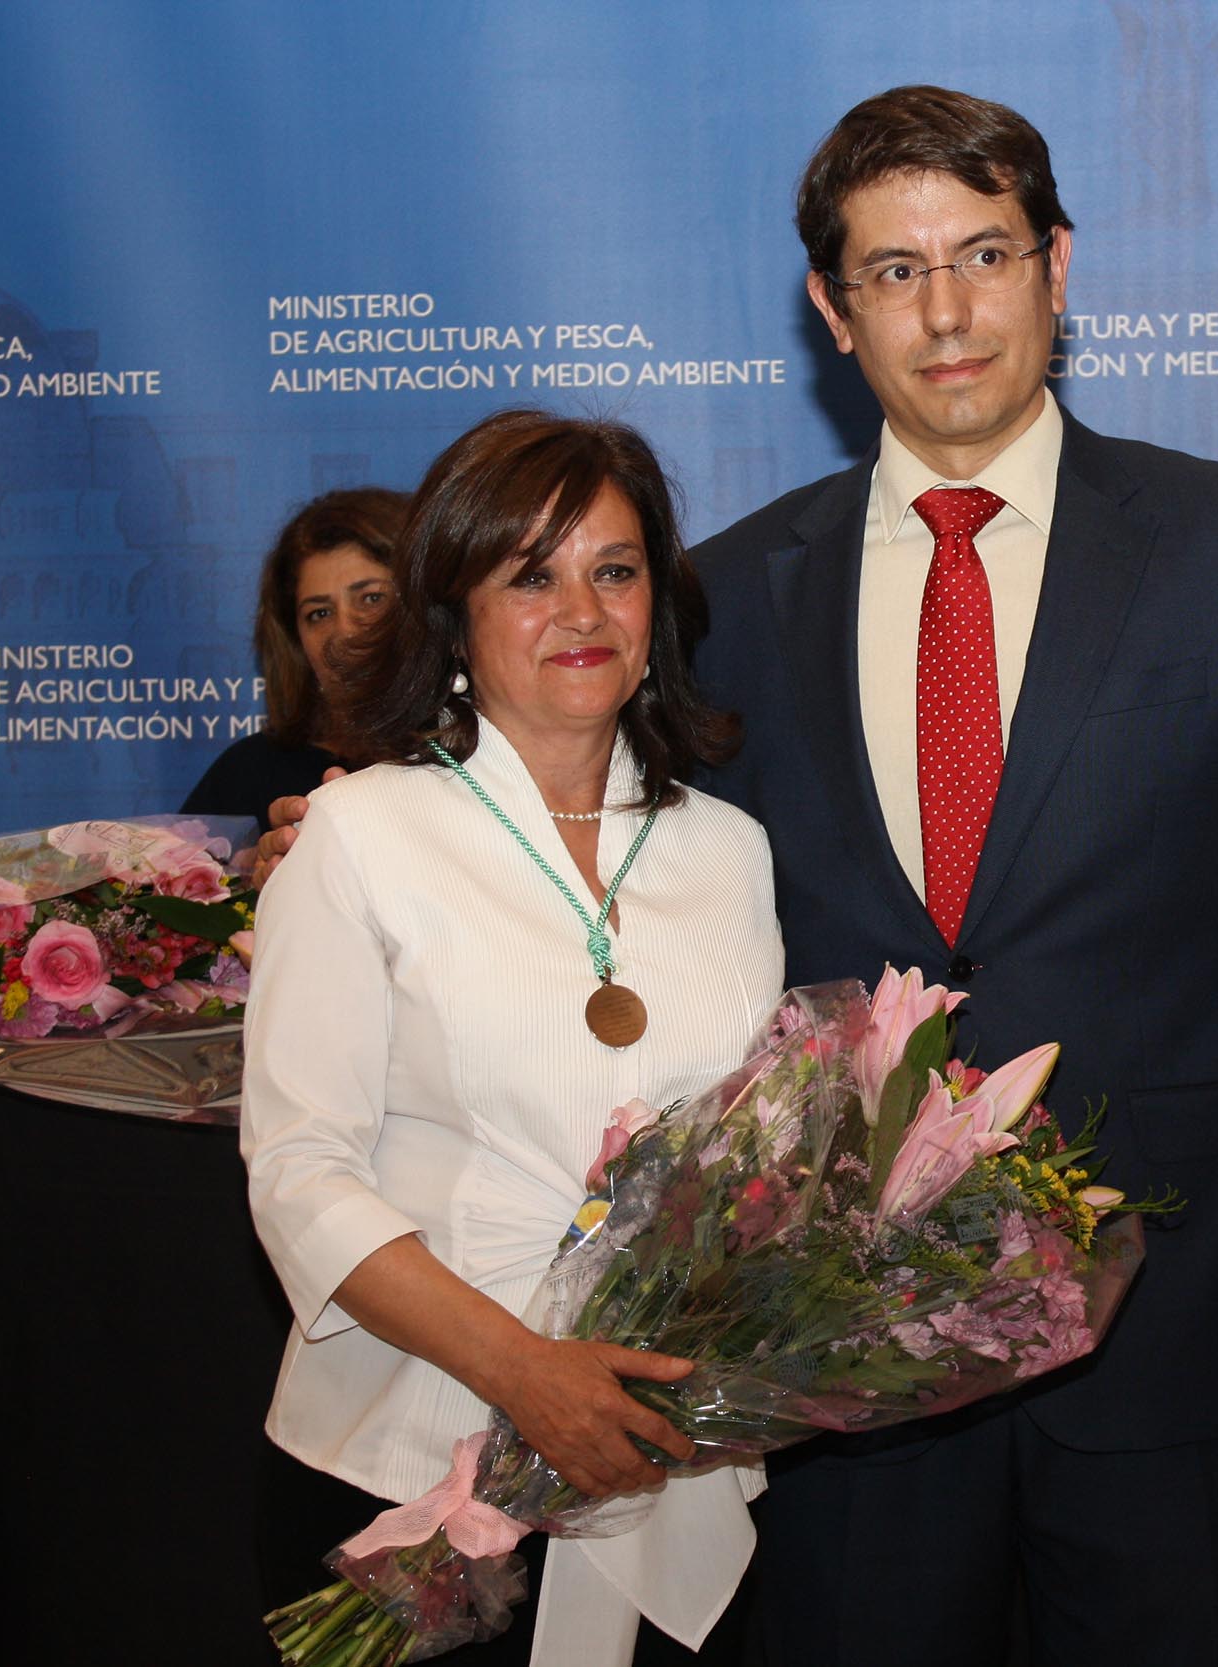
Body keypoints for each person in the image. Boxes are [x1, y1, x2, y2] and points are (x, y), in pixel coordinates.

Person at [685, 86, 1218, 1665]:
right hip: (844, 1359)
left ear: (1058, 266)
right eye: (895, 271)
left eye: (984, 254)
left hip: (1180, 1344)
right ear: (832, 306)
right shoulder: (729, 595)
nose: (947, 312)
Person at [240, 410, 784, 1667]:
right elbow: (300, 1172)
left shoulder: (730, 852)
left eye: (614, 569)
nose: (581, 611)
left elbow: (755, 1165)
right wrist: (529, 1373)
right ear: (453, 614)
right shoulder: (356, 836)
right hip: (404, 1470)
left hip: (668, 1465)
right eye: (530, 576)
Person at [181, 485, 406, 821]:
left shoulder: (478, 758)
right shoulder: (248, 775)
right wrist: (256, 857)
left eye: (372, 599)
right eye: (320, 613)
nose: (345, 631)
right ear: (296, 642)